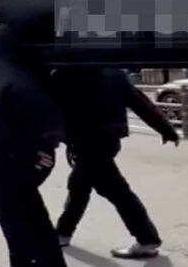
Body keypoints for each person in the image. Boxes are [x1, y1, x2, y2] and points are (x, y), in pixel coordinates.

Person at [0, 26, 67, 267]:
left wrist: (26, 151)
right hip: (38, 154)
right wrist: (44, 146)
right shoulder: (24, 71)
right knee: (31, 213)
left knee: (14, 216)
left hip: (12, 158)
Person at [51, 67, 180, 259]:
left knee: (116, 191)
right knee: (79, 187)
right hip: (108, 139)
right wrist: (165, 128)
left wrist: (43, 141)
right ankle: (63, 232)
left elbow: (48, 107)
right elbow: (139, 102)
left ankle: (147, 239)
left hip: (86, 141)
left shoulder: (66, 72)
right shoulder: (114, 72)